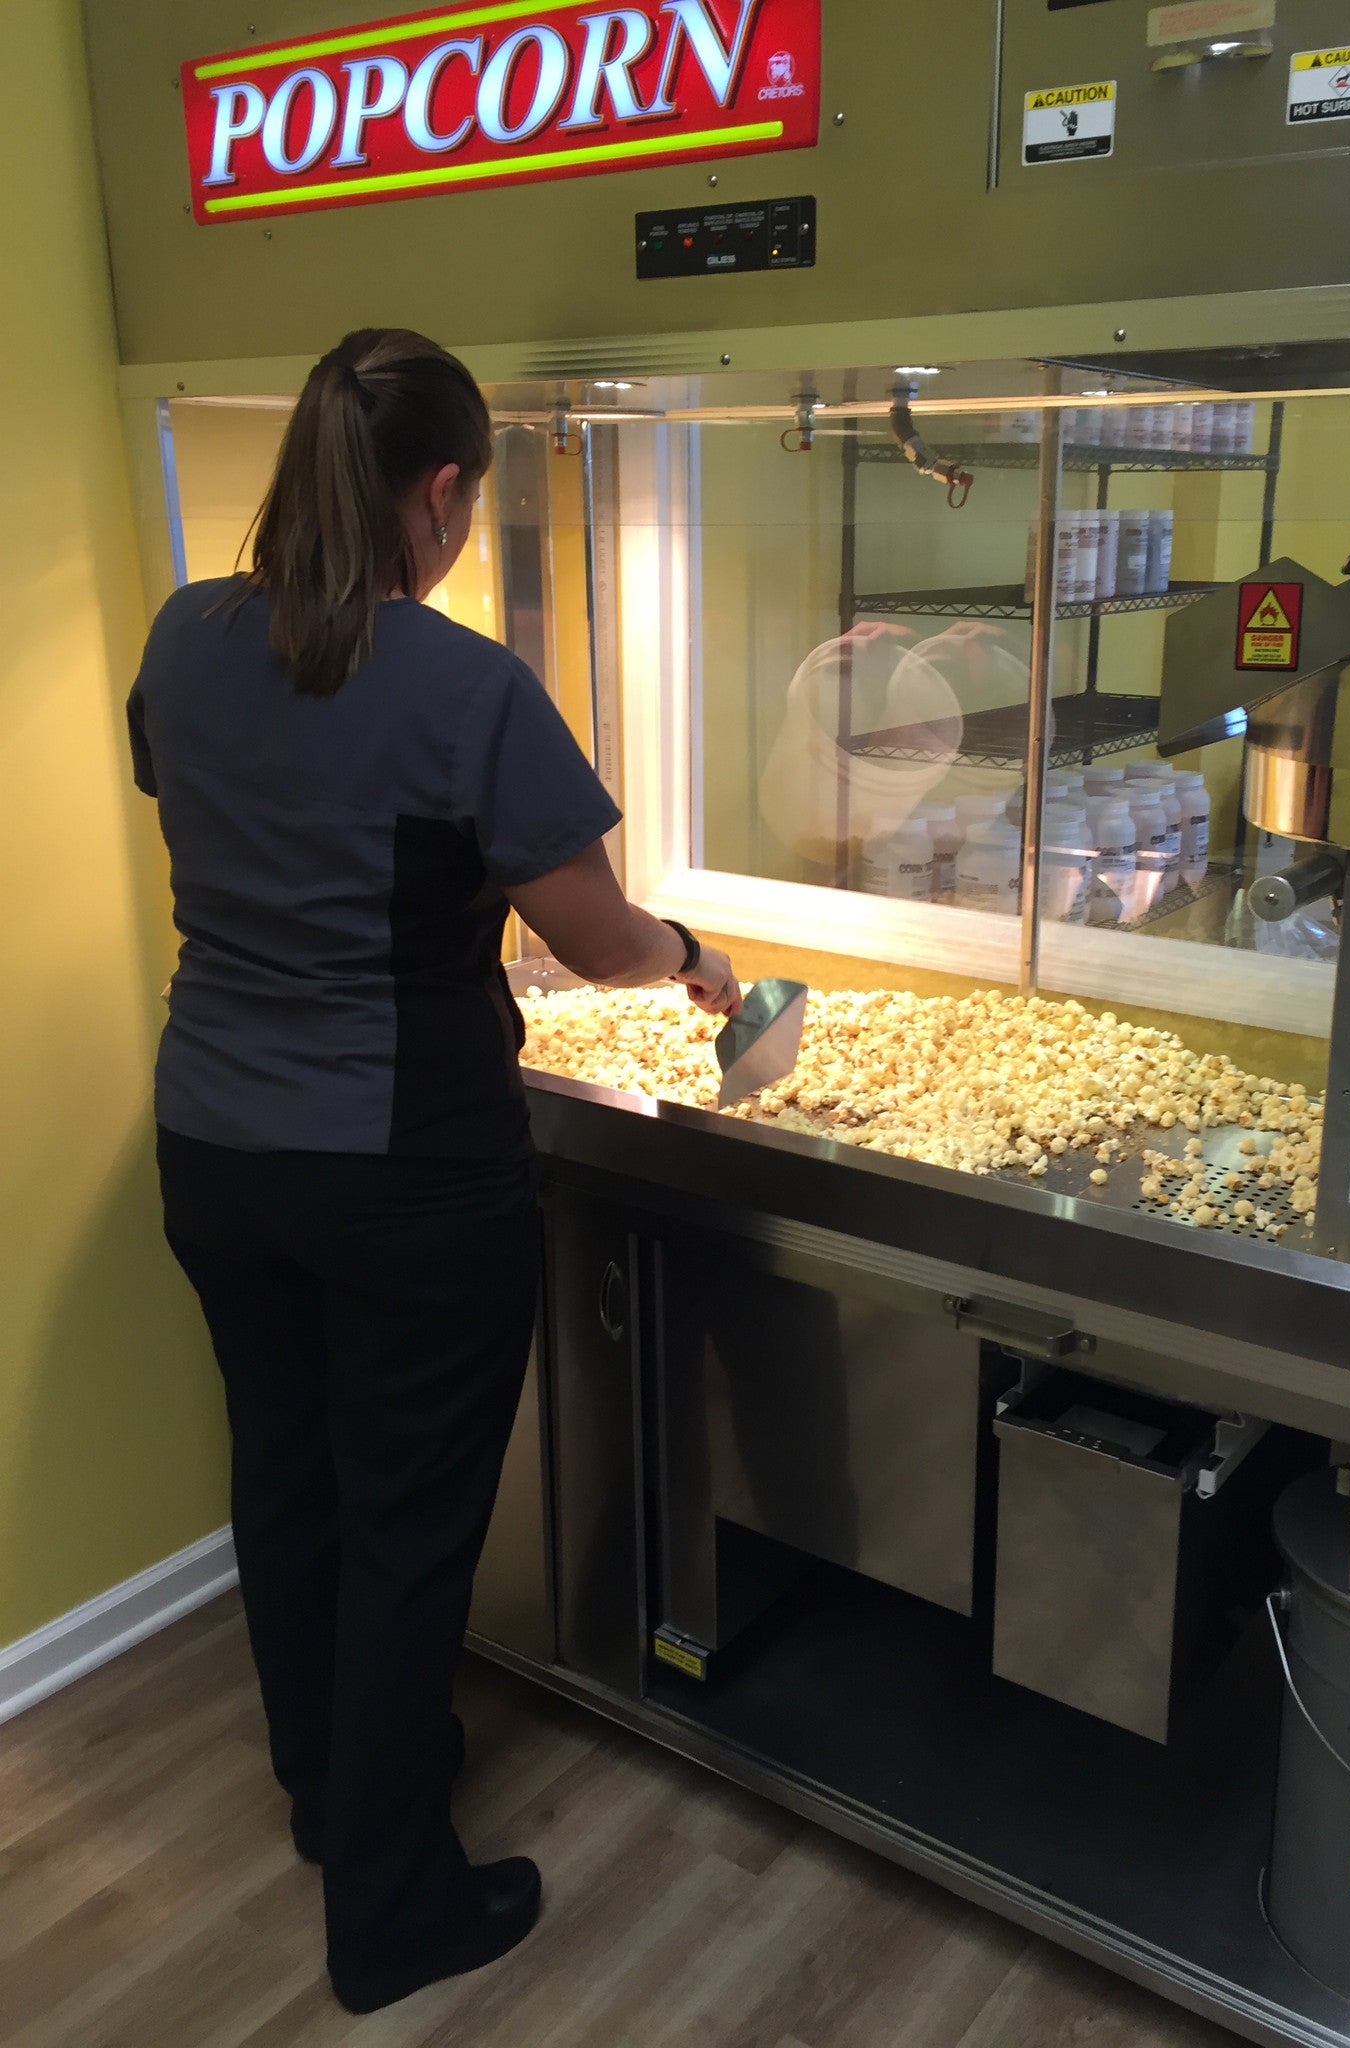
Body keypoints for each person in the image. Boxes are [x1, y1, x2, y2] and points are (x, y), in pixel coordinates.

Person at [126, 327, 740, 2014]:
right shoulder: (463, 687)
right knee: (408, 1526)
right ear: (445, 494)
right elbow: (593, 935)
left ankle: (333, 1791)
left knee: (292, 1475)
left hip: (215, 1146)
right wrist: (692, 950)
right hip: (398, 1165)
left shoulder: (187, 635)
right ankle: (393, 1910)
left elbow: (223, 815)